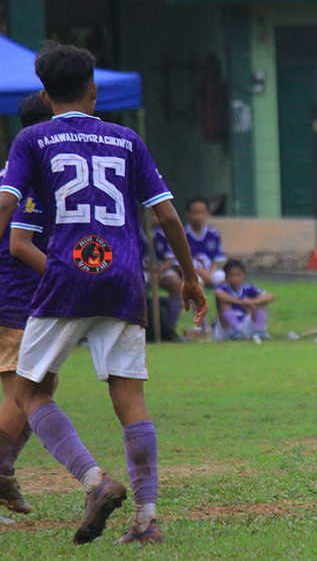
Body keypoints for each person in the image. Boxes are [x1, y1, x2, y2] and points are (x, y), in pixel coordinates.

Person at [0, 43, 208, 545]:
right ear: (93, 90)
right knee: (130, 398)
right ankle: (147, 520)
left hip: (66, 279)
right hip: (123, 279)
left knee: (28, 392)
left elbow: (7, 211)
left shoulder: (31, 139)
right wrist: (192, 277)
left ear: (45, 95)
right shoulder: (127, 139)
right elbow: (167, 216)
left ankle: (94, 481)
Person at [0, 93, 53, 518]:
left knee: (39, 390)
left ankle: (4, 473)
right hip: (16, 300)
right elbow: (21, 247)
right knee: (26, 395)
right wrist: (65, 276)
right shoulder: (31, 177)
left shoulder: (14, 173)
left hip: (20, 300)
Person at [213, 259, 275, 342]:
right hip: (226, 328)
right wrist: (241, 302)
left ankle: (258, 331)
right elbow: (218, 294)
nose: (235, 278)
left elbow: (270, 296)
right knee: (224, 304)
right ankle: (236, 332)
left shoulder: (247, 287)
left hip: (243, 325)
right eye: (231, 275)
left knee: (262, 304)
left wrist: (253, 301)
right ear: (226, 277)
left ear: (244, 275)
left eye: (238, 275)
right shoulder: (222, 288)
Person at [184, 196, 226, 289]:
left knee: (223, 278)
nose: (199, 216)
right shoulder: (183, 234)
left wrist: (210, 273)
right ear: (188, 214)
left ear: (208, 214)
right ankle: (198, 304)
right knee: (196, 282)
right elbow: (179, 263)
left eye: (202, 213)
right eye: (195, 213)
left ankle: (223, 303)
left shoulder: (213, 233)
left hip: (210, 270)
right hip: (191, 272)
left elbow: (218, 258)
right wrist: (200, 272)